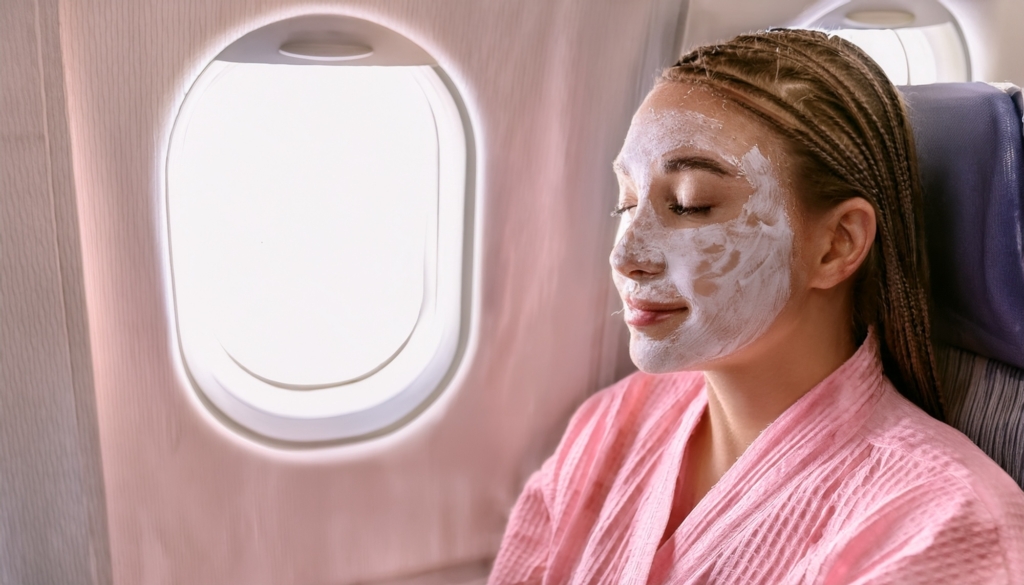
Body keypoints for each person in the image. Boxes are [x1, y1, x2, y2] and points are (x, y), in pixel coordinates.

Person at [489, 29, 1024, 584]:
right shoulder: (609, 426)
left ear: (837, 244)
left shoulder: (939, 524)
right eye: (625, 202)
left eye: (690, 205)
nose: (627, 255)